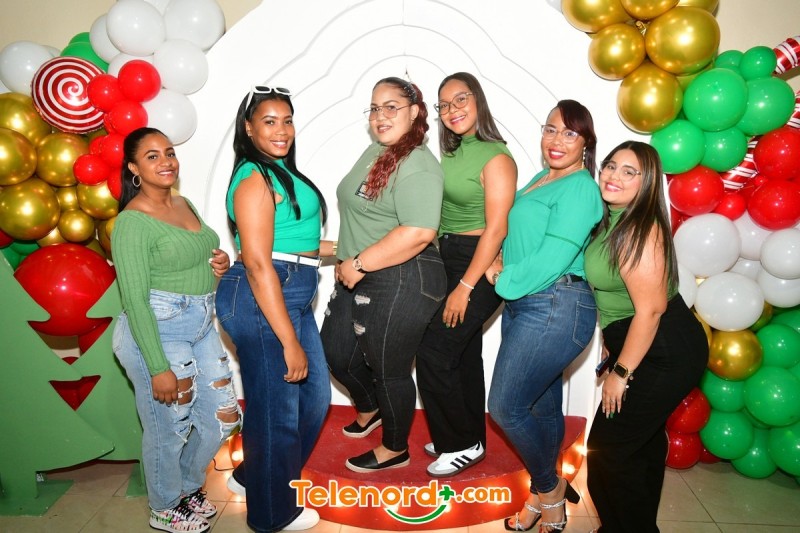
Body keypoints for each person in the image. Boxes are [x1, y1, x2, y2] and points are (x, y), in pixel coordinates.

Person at [214, 86, 332, 532]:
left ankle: (253, 475)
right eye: (269, 121)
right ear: (249, 128)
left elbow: (299, 244)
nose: (281, 130)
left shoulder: (281, 171)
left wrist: (358, 252)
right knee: (276, 412)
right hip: (261, 296)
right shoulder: (253, 178)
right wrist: (288, 342)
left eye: (287, 120)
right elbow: (259, 262)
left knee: (314, 399)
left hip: (290, 292)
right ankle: (271, 515)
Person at [112, 127, 240, 533]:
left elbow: (194, 255)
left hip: (200, 325)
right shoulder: (131, 223)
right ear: (134, 168)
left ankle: (185, 488)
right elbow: (134, 300)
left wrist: (218, 262)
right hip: (157, 331)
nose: (166, 161)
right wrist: (157, 367)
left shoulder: (183, 202)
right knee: (169, 428)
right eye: (152, 156)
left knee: (223, 417)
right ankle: (164, 506)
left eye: (168, 152)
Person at [485, 100, 603, 532]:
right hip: (529, 303)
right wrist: (500, 256)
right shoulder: (543, 178)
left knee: (505, 406)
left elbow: (554, 256)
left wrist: (503, 278)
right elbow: (522, 235)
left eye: (570, 133)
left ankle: (549, 490)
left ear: (586, 143)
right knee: (541, 406)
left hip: (557, 303)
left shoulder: (581, 188)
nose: (556, 140)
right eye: (550, 129)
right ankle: (542, 494)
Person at [321, 76, 447, 473]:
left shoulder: (418, 163)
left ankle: (395, 448)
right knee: (336, 353)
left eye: (391, 106)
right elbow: (365, 219)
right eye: (375, 108)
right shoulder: (376, 151)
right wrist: (341, 255)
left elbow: (419, 231)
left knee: (388, 367)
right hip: (360, 268)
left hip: (406, 273)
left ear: (415, 112)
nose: (381, 115)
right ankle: (370, 408)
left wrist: (358, 263)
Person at [585, 141, 708, 533]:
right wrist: (613, 350)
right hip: (642, 343)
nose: (613, 176)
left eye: (629, 172)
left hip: (666, 350)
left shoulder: (640, 229)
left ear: (648, 182)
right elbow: (618, 299)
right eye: (610, 166)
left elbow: (651, 310)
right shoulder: (612, 220)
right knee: (639, 449)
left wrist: (621, 372)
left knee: (609, 451)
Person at [416, 72, 517, 477]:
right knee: (463, 353)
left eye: (460, 99)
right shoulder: (453, 152)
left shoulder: (496, 156)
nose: (452, 110)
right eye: (444, 105)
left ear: (478, 100)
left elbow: (497, 228)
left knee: (434, 352)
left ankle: (458, 443)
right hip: (449, 256)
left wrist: (464, 286)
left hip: (478, 262)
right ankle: (464, 435)